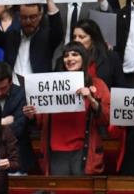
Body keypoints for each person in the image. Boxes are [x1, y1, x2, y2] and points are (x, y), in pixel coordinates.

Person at [23, 42, 111, 175]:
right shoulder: (51, 83)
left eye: (75, 54)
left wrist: (92, 100)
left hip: (83, 151)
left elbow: (108, 117)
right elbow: (40, 119)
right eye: (66, 56)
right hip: (56, 150)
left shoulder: (98, 84)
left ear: (84, 58)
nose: (69, 59)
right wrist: (32, 114)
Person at [0, 0, 64, 81]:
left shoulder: (46, 38)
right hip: (13, 91)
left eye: (33, 17)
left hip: (37, 90)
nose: (28, 21)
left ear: (40, 16)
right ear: (18, 16)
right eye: (24, 17)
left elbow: (58, 30)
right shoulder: (10, 36)